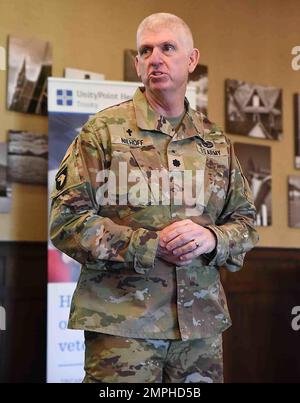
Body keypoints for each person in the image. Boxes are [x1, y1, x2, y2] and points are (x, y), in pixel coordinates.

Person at [49, 12, 259, 383]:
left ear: (191, 60)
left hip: (200, 328)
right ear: (137, 64)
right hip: (123, 327)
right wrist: (148, 245)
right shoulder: (103, 132)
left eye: (167, 48)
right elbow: (66, 220)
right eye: (145, 50)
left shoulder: (216, 141)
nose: (155, 58)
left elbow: (245, 222)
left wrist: (212, 238)